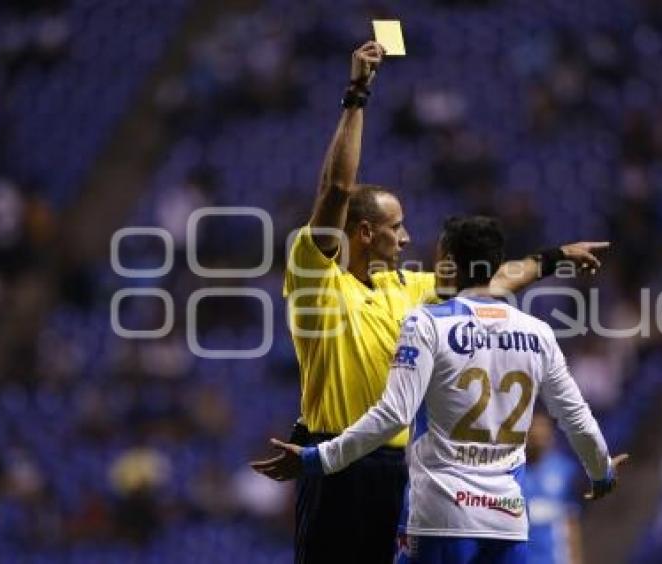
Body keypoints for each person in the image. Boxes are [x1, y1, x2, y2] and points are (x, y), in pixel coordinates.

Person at [270, 40, 610, 564]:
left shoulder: (410, 287)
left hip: (407, 472)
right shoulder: (318, 279)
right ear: (361, 233)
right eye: (395, 227)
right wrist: (357, 94)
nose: (407, 238)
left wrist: (556, 256)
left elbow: (493, 280)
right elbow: (336, 188)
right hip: (339, 465)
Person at [254, 216, 629, 564]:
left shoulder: (427, 323)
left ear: (449, 262)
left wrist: (315, 459)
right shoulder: (538, 333)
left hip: (440, 516)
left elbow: (393, 415)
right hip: (507, 521)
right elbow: (574, 414)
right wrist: (601, 472)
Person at [524, 411, 584, 564]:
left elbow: (572, 521)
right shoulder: (510, 473)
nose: (538, 433)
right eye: (533, 428)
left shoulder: (565, 470)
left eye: (543, 427)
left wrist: (576, 560)